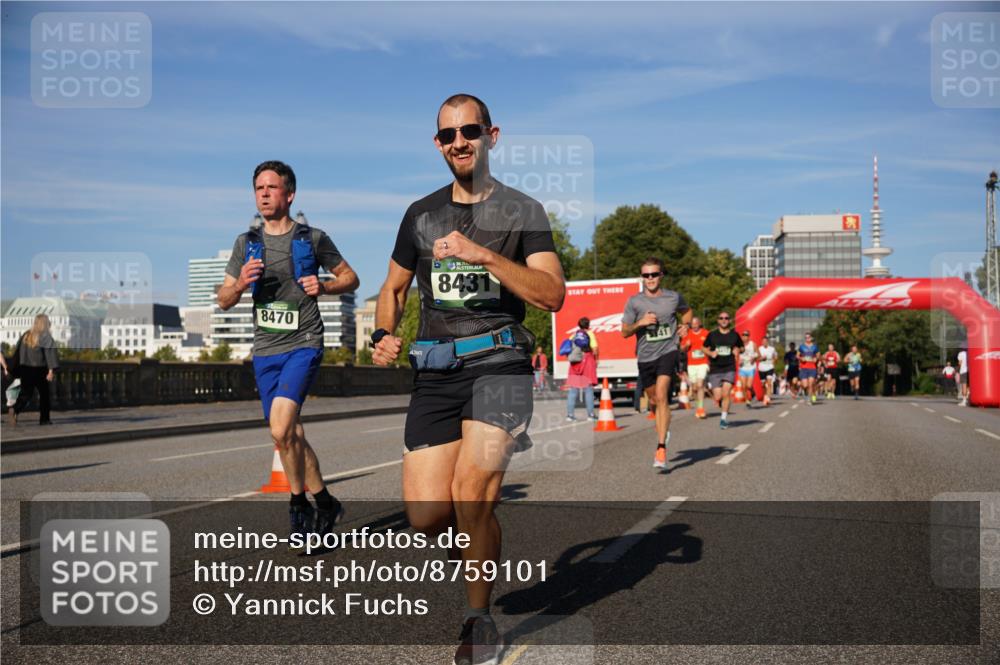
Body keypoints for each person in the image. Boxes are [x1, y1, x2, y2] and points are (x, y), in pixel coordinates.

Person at [370, 94, 565, 665]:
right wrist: (384, 332)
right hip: (436, 369)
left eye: (470, 130)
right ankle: (481, 541)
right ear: (437, 143)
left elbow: (552, 294)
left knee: (471, 495)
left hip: (500, 365)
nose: (459, 141)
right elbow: (393, 288)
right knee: (428, 516)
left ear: (491, 135)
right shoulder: (419, 213)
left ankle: (477, 620)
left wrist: (482, 254)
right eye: (448, 134)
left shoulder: (523, 211)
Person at [219, 160, 359, 543]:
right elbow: (223, 299)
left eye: (271, 187)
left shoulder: (312, 238)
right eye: (258, 188)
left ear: (289, 194)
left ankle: (298, 503)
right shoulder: (245, 244)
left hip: (303, 343)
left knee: (280, 427)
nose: (264, 194)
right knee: (288, 435)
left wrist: (325, 286)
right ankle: (326, 503)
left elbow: (351, 277)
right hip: (265, 349)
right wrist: (239, 285)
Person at [622, 257, 692, 469]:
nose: (650, 278)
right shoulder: (635, 302)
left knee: (662, 396)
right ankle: (663, 426)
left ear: (661, 275)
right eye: (646, 275)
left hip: (667, 351)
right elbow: (624, 332)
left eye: (654, 274)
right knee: (653, 400)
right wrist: (640, 323)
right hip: (645, 356)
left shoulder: (672, 298)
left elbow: (687, 311)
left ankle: (661, 448)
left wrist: (685, 325)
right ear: (642, 277)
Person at [8, 314, 58, 426]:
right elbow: (50, 354)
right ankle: (44, 419)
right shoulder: (46, 336)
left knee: (26, 393)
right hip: (40, 369)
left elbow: (17, 351)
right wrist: (51, 370)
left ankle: (15, 409)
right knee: (44, 395)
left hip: (25, 369)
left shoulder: (26, 335)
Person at [704, 311, 743, 429]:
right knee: (718, 396)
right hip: (715, 368)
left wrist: (738, 350)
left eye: (726, 318)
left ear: (729, 320)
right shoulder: (712, 335)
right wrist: (710, 353)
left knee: (726, 393)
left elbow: (741, 347)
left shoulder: (734, 335)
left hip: (729, 367)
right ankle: (722, 404)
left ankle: (723, 419)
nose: (724, 320)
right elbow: (703, 347)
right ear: (718, 320)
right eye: (721, 318)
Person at [565, 318, 598, 421]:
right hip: (587, 361)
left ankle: (570, 415)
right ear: (588, 325)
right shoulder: (590, 334)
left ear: (578, 325)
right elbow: (595, 349)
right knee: (588, 389)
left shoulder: (573, 335)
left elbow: (567, 349)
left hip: (575, 363)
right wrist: (596, 360)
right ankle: (590, 415)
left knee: (573, 390)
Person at [680, 317, 710, 419]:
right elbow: (682, 349)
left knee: (700, 384)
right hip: (692, 364)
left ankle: (701, 408)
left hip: (703, 363)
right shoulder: (687, 334)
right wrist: (686, 346)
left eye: (696, 323)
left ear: (700, 323)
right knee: (695, 388)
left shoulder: (706, 333)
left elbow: (712, 345)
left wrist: (707, 349)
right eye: (693, 324)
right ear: (691, 325)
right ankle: (699, 407)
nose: (695, 325)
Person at [797, 332, 820, 405]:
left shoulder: (815, 347)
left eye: (809, 337)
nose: (807, 339)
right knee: (805, 385)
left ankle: (809, 399)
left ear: (811, 338)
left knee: (810, 384)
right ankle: (807, 395)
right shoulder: (801, 346)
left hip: (812, 368)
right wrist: (801, 358)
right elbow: (797, 355)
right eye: (806, 338)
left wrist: (816, 358)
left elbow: (818, 355)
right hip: (804, 368)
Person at [738, 330, 757, 408]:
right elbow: (736, 355)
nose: (745, 337)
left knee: (749, 386)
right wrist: (739, 361)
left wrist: (754, 358)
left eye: (746, 335)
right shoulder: (739, 345)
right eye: (743, 335)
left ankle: (753, 393)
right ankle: (747, 401)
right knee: (743, 386)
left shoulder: (753, 344)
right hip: (742, 368)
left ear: (749, 337)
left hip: (751, 367)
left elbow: (758, 354)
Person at [757, 336, 778, 401]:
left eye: (765, 341)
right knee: (763, 384)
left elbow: (775, 356)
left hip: (770, 367)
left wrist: (773, 361)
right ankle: (765, 394)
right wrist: (761, 358)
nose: (764, 343)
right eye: (763, 342)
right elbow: (757, 359)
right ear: (762, 342)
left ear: (767, 342)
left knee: (769, 383)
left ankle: (768, 397)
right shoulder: (759, 349)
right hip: (762, 368)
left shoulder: (772, 349)